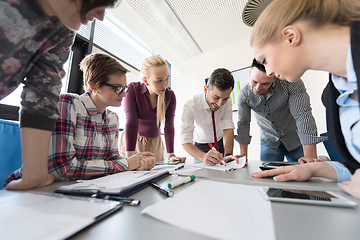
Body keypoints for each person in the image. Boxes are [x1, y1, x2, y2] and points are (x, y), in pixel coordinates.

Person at [1, 0, 120, 190]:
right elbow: (64, 167)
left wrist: (35, 175)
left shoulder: (62, 29)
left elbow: (43, 87)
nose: (100, 16)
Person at [249, 0, 360, 199]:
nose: (270, 72)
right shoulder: (333, 94)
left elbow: (302, 116)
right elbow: (356, 169)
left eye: (264, 60)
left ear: (290, 37)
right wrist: (316, 169)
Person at [5, 53, 156, 185]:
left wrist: (136, 163)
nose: (123, 94)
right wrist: (125, 165)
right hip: (32, 189)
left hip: (73, 190)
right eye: (117, 88)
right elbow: (63, 168)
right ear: (94, 86)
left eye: (125, 88)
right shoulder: (68, 104)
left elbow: (113, 159)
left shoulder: (112, 119)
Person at [236, 59, 325, 162]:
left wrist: (310, 157)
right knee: (269, 174)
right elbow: (244, 124)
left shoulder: (290, 83)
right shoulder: (244, 95)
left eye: (265, 83)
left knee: (304, 173)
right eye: (254, 82)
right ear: (250, 74)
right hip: (269, 141)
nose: (258, 88)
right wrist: (243, 157)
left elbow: (302, 115)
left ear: (275, 77)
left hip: (296, 139)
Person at [119, 56, 185, 163]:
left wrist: (171, 155)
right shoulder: (133, 90)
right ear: (145, 80)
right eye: (159, 80)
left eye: (167, 78)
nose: (164, 84)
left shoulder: (170, 96)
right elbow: (131, 122)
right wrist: (130, 155)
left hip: (155, 144)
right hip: (132, 142)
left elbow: (169, 126)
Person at [181, 68, 241, 166]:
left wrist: (228, 154)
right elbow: (185, 141)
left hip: (221, 143)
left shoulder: (227, 102)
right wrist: (203, 157)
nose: (220, 103)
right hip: (200, 147)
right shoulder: (191, 104)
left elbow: (227, 128)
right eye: (216, 97)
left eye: (225, 98)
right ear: (205, 89)